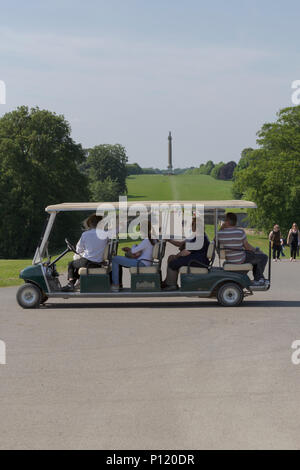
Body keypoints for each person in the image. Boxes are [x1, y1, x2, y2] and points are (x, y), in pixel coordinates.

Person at [218, 212, 268, 286]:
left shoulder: (220, 233)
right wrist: (257, 250)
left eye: (225, 220)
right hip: (240, 259)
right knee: (263, 256)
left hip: (230, 259)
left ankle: (260, 278)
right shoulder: (240, 232)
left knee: (255, 256)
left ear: (227, 222)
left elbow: (214, 241)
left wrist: (221, 228)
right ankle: (258, 279)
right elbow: (247, 247)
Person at [62, 214, 110, 291]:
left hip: (88, 262)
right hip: (98, 262)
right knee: (77, 263)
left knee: (71, 264)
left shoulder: (85, 234)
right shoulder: (105, 234)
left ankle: (70, 284)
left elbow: (78, 250)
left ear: (90, 224)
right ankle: (77, 283)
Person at [162, 217, 210, 290]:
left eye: (193, 224)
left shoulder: (200, 238)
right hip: (196, 258)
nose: (191, 225)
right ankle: (168, 281)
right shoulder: (196, 236)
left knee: (173, 262)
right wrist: (169, 240)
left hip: (198, 261)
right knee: (171, 257)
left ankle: (172, 285)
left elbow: (186, 252)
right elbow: (181, 244)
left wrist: (177, 256)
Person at [111, 223, 156, 291]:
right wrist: (134, 248)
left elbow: (133, 251)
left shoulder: (147, 240)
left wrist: (134, 245)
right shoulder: (153, 239)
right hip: (145, 262)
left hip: (141, 263)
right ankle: (117, 284)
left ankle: (116, 285)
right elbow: (137, 250)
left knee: (115, 259)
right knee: (118, 259)